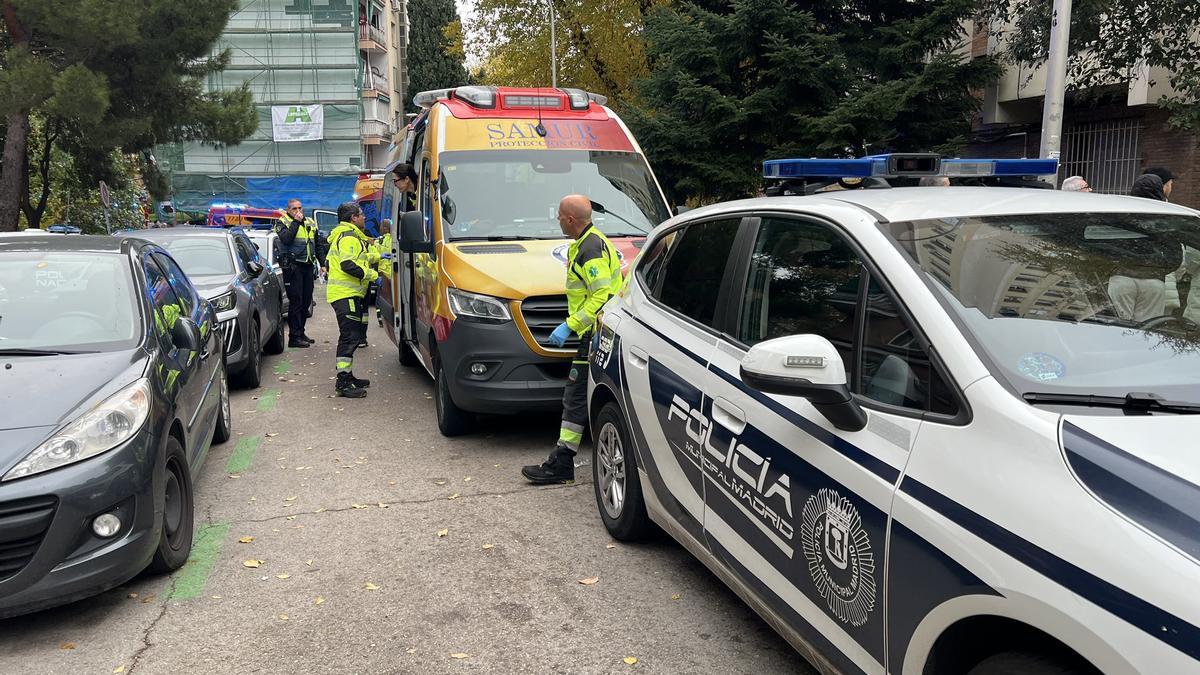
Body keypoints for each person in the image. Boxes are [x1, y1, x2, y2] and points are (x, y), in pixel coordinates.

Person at [522, 195, 623, 484]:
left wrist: (570, 325)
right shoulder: (588, 242)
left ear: (570, 219)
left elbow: (602, 295)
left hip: (595, 333)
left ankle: (563, 462)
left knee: (576, 396)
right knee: (578, 396)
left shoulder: (590, 248)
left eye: (559, 216)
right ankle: (563, 458)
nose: (556, 220)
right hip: (596, 332)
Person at [326, 202, 379, 398]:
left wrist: (378, 256)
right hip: (344, 294)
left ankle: (348, 376)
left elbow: (359, 257)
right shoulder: (348, 237)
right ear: (353, 218)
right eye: (362, 214)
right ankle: (343, 382)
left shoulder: (348, 236)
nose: (364, 217)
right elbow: (348, 264)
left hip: (346, 294)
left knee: (353, 336)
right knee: (349, 337)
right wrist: (373, 276)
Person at [275, 199, 319, 348]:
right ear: (288, 210)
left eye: (300, 208)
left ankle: (301, 332)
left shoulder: (310, 222)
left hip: (307, 265)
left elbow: (316, 243)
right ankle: (294, 337)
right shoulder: (282, 222)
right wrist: (295, 222)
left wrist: (323, 263)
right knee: (296, 301)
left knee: (306, 301)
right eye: (294, 208)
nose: (298, 211)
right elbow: (286, 239)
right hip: (293, 267)